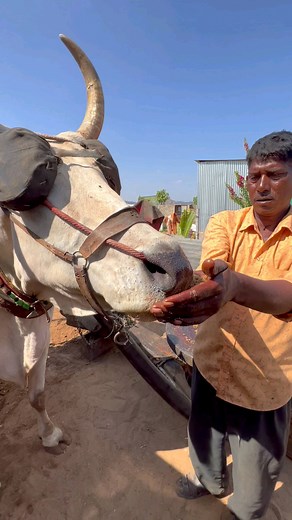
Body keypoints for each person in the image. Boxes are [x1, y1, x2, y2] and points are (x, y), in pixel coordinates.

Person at [150, 131, 292, 520]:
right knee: (204, 434)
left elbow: (288, 295)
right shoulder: (225, 221)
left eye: (275, 175)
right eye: (254, 177)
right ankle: (208, 480)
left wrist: (235, 285)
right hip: (211, 363)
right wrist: (215, 277)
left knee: (257, 467)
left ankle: (248, 510)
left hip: (265, 380)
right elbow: (213, 262)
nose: (262, 185)